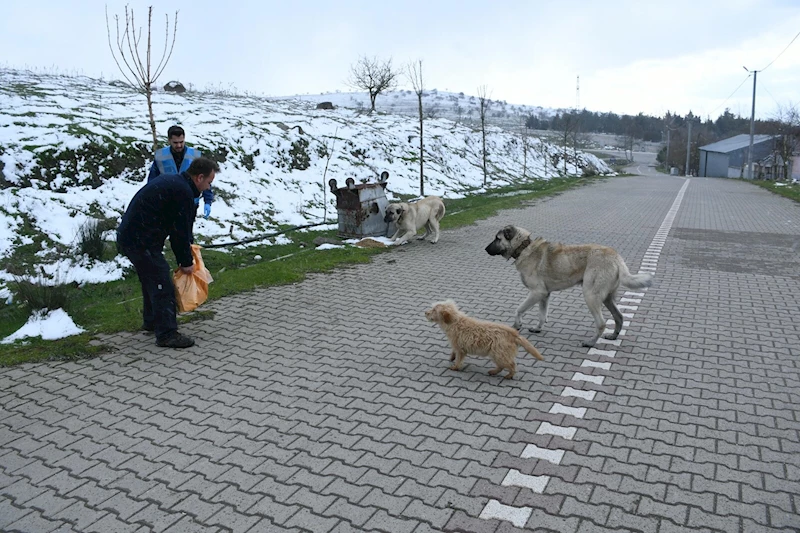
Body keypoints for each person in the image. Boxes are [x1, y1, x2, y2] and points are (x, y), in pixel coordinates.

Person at [117, 157, 219, 348]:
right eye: (208, 182)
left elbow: (180, 228)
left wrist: (187, 246)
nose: (208, 187)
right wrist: (186, 262)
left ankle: (152, 321)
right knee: (162, 282)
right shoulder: (182, 192)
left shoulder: (176, 183)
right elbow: (179, 233)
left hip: (134, 237)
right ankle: (166, 334)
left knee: (152, 279)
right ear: (199, 178)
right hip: (140, 240)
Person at [148, 125, 214, 220]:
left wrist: (207, 201)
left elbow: (204, 179)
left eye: (181, 142)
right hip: (167, 203)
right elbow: (152, 181)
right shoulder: (160, 156)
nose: (179, 145)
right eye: (175, 142)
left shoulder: (195, 156)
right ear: (169, 140)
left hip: (189, 202)